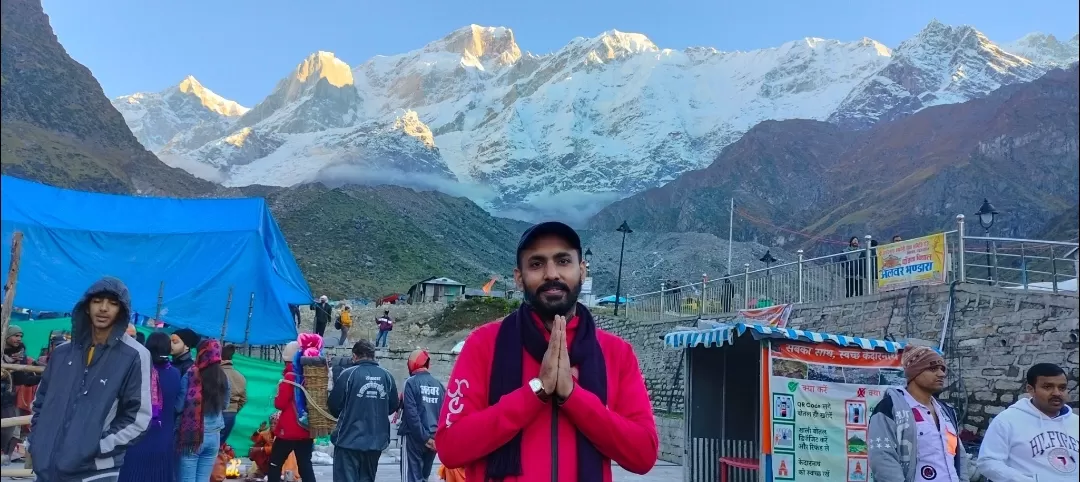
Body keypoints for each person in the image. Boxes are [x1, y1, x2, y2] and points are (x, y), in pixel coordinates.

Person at [434, 221, 659, 481]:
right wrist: (536, 391)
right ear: (519, 278)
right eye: (537, 264)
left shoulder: (617, 353)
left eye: (563, 261)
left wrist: (574, 397)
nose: (551, 273)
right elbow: (450, 447)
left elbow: (644, 454)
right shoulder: (484, 344)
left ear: (582, 271)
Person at [29, 277, 152, 482]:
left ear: (122, 311)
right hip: (47, 470)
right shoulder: (61, 354)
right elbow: (40, 402)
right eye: (97, 301)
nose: (103, 308)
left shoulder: (134, 356)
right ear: (86, 307)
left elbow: (138, 418)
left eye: (112, 303)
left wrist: (94, 447)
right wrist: (37, 442)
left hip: (95, 472)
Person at [868, 345, 969, 482]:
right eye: (933, 368)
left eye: (942, 369)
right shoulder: (889, 408)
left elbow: (959, 456)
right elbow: (883, 459)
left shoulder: (947, 411)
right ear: (915, 372)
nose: (941, 374)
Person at [977, 363, 1077, 482]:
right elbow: (987, 462)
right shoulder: (1007, 420)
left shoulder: (1076, 422)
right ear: (1030, 389)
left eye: (1062, 388)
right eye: (1048, 387)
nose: (1057, 393)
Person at [329, 339, 399, 482]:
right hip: (375, 442)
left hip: (348, 442)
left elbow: (334, 406)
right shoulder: (387, 376)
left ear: (355, 356)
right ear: (373, 356)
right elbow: (393, 406)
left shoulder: (348, 374)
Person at [118, 332, 183, 482]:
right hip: (163, 435)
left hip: (136, 435)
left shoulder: (137, 370)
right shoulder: (174, 373)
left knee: (132, 474)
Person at [176, 338, 231, 482]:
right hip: (214, 435)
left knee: (187, 479)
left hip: (191, 436)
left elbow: (179, 406)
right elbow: (225, 405)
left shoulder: (190, 374)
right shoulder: (223, 377)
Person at [267, 341, 317, 482]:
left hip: (289, 430)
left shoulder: (290, 376)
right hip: (307, 428)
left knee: (275, 463)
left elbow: (280, 403)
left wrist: (277, 395)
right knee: (305, 465)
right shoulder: (310, 374)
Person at [399, 349, 445, 482]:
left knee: (411, 478)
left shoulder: (410, 383)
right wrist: (435, 439)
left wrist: (424, 438)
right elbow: (444, 414)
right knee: (424, 477)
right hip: (433, 440)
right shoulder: (439, 385)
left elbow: (411, 415)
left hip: (414, 438)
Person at [1, 325, 40, 464]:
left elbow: (21, 379)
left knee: (9, 430)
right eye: (16, 335)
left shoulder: (21, 356)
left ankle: (5, 457)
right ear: (6, 337)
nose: (19, 339)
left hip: (7, 398)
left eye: (21, 336)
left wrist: (42, 376)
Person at [220, 344, 248, 444]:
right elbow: (243, 399)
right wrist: (234, 409)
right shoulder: (240, 376)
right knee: (219, 445)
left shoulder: (215, 374)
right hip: (231, 414)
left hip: (215, 413)